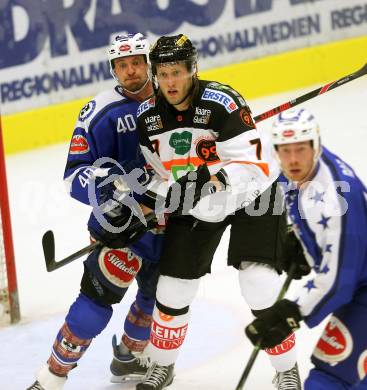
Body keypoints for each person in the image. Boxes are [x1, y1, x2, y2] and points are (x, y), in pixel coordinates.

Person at [133, 34, 301, 390]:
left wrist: (213, 177)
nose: (170, 82)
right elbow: (159, 176)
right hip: (200, 204)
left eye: (177, 71)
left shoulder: (222, 102)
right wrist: (141, 207)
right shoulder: (148, 118)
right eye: (162, 74)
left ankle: (286, 369)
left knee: (258, 285)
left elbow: (254, 165)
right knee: (172, 289)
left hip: (254, 194)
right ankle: (163, 366)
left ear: (193, 69)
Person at [27, 33, 165, 390]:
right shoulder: (101, 111)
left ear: (148, 64)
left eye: (136, 62)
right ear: (113, 70)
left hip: (170, 224)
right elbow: (74, 174)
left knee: (157, 296)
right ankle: (51, 377)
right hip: (120, 228)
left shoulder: (173, 97)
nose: (130, 71)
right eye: (122, 65)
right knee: (96, 302)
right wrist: (113, 196)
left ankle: (130, 358)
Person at [245, 108, 367, 389]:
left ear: (316, 145)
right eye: (285, 151)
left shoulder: (335, 198)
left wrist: (289, 313)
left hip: (361, 289)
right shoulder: (301, 170)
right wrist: (304, 244)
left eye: (300, 150)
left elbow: (338, 281)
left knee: (330, 377)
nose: (293, 159)